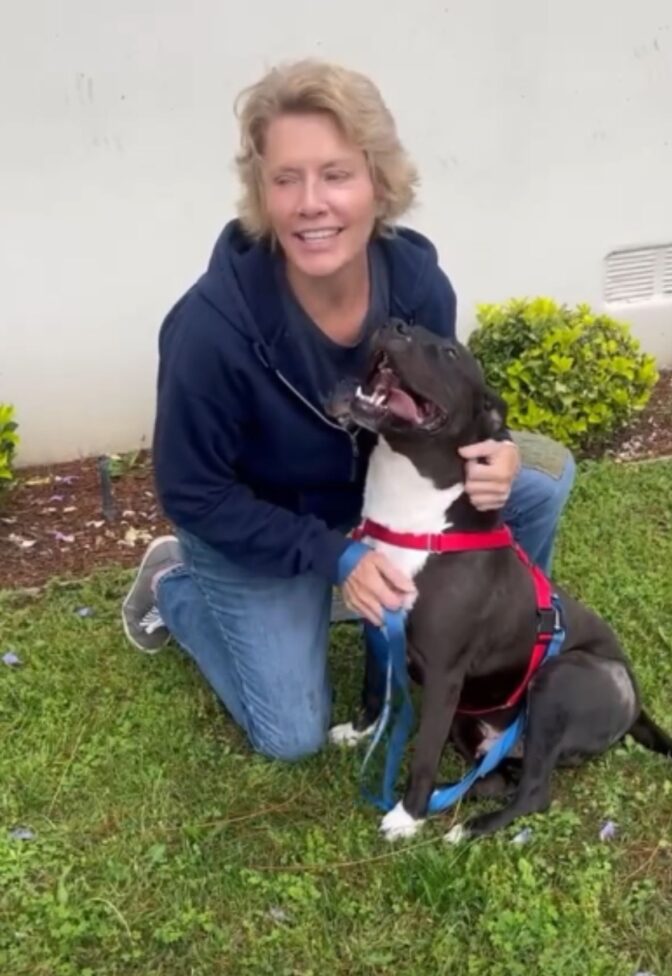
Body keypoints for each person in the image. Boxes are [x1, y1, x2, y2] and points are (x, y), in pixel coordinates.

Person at [121, 59, 575, 761]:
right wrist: (333, 555)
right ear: (261, 192)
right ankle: (175, 587)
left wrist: (499, 451)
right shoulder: (210, 329)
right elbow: (192, 492)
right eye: (285, 178)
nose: (311, 203)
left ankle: (484, 646)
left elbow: (443, 402)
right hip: (263, 520)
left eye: (335, 174)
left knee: (533, 494)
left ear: (377, 184)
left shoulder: (416, 280)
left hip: (374, 500)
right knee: (293, 737)